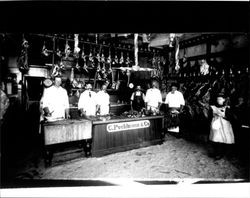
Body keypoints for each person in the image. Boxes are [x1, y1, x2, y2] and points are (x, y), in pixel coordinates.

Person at [208, 93, 235, 160]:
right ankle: (216, 152)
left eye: (220, 99)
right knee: (215, 139)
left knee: (222, 139)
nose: (218, 100)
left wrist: (223, 116)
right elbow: (210, 116)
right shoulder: (213, 107)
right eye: (217, 99)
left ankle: (220, 154)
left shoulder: (227, 108)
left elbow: (230, 117)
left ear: (224, 100)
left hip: (224, 125)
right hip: (216, 125)